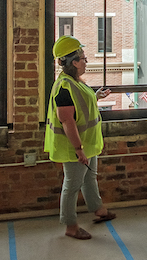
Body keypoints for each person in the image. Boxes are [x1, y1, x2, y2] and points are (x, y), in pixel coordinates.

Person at [45, 35, 116, 240]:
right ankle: (71, 226)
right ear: (74, 62)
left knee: (89, 178)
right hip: (75, 147)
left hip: (87, 143)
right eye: (83, 58)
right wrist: (78, 149)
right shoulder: (64, 87)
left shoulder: (75, 82)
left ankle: (98, 209)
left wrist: (96, 96)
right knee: (72, 185)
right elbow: (67, 121)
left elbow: (80, 105)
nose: (86, 61)